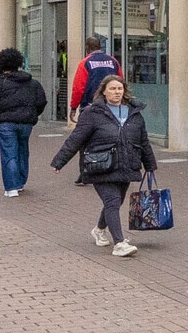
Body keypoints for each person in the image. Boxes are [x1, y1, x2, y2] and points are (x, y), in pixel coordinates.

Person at [50, 74, 155, 257]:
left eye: (120, 88)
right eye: (112, 89)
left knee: (115, 202)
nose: (117, 92)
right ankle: (119, 243)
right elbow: (76, 139)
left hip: (126, 164)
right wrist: (60, 161)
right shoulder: (92, 113)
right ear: (104, 92)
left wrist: (150, 164)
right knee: (112, 201)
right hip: (100, 165)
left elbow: (143, 141)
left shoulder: (134, 113)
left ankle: (99, 230)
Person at [0, 48, 48, 197]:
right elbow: (41, 102)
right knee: (22, 150)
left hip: (7, 122)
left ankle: (11, 186)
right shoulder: (32, 82)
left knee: (9, 152)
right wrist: (32, 114)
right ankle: (20, 181)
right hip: (26, 122)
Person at [67, 36, 120, 121]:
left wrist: (73, 107)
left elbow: (78, 88)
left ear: (88, 47)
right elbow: (120, 82)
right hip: (111, 106)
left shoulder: (85, 63)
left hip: (90, 106)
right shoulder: (113, 61)